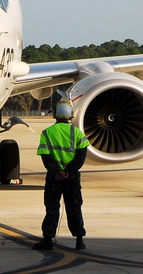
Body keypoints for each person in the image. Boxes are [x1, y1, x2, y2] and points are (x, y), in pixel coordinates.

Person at [32, 101, 90, 251]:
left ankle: (48, 240)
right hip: (72, 178)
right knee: (74, 207)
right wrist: (68, 171)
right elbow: (80, 158)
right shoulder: (77, 133)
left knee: (52, 208)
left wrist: (57, 171)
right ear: (70, 115)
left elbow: (45, 157)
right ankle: (79, 240)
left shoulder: (47, 132)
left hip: (54, 178)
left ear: (55, 114)